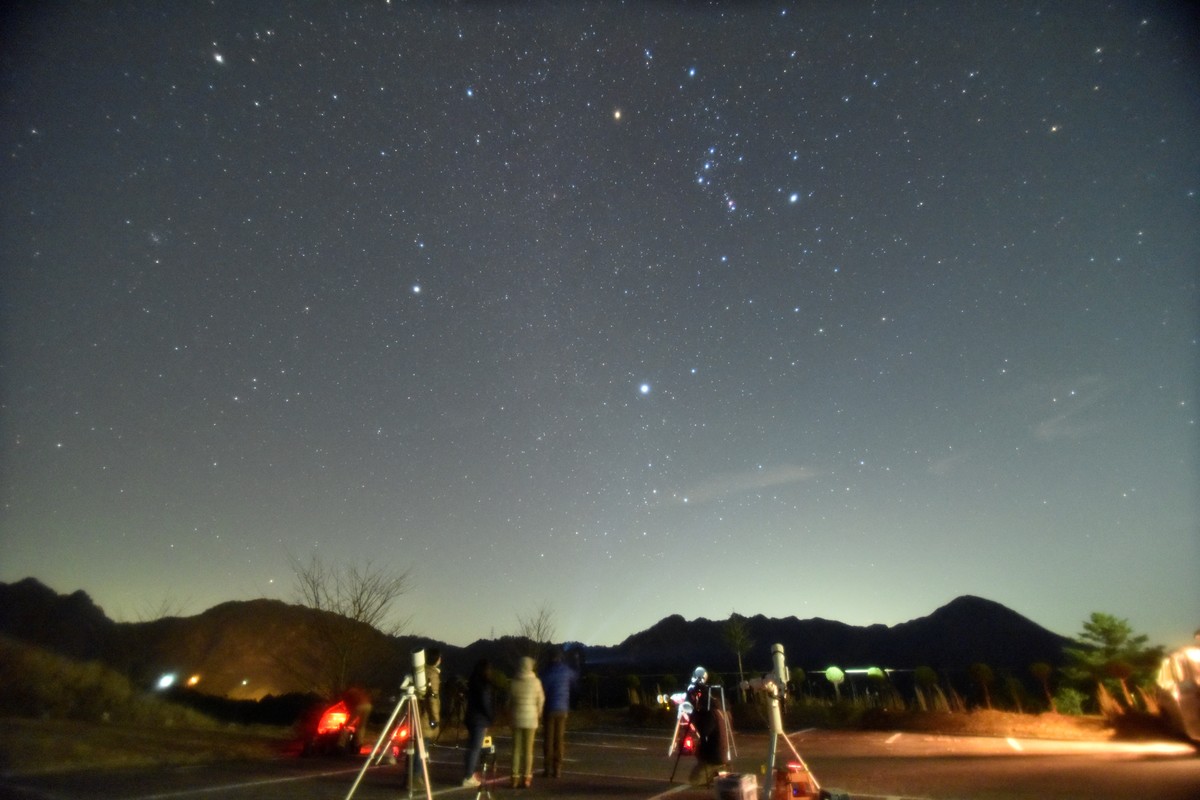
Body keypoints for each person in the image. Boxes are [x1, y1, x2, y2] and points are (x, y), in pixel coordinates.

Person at [508, 655, 545, 788]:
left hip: (516, 719)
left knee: (516, 749)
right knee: (528, 750)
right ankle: (527, 777)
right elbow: (541, 699)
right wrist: (539, 713)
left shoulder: (514, 681)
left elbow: (509, 702)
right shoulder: (536, 682)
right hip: (531, 719)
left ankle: (514, 778)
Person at [539, 647, 577, 777]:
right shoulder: (566, 670)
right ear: (560, 658)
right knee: (559, 739)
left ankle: (547, 769)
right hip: (563, 709)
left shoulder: (546, 672)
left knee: (548, 739)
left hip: (549, 708)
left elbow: (542, 688)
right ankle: (558, 769)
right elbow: (574, 680)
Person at [462, 658, 494, 788]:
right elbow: (485, 703)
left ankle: (469, 773)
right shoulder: (483, 686)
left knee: (471, 748)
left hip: (471, 718)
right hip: (479, 720)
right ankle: (468, 776)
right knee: (475, 749)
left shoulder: (473, 682)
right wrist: (491, 717)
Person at [422, 647, 442, 739]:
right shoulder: (432, 675)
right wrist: (434, 720)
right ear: (437, 659)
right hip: (426, 717)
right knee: (422, 748)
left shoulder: (422, 671)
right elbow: (432, 698)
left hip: (416, 714)